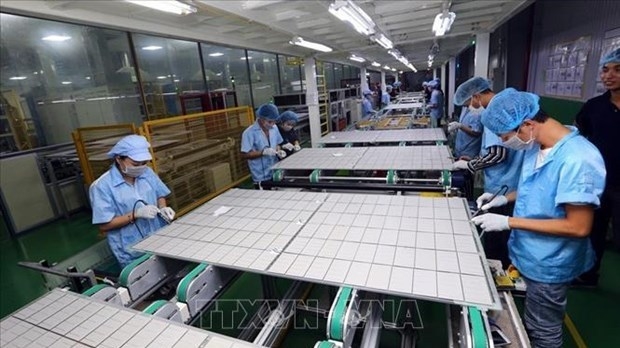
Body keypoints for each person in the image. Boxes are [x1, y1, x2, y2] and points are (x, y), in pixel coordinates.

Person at [471, 89, 606, 348]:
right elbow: (540, 187)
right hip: (530, 251)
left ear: (527, 125)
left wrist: (508, 222)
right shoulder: (538, 144)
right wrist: (503, 199)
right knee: (534, 319)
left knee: (544, 331)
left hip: (550, 261)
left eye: (505, 137)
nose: (504, 142)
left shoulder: (578, 158)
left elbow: (578, 226)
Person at [452, 78, 526, 267]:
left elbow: (497, 154)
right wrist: (475, 159)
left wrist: (470, 166)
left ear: (476, 96)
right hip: (510, 183)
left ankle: (498, 274)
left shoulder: (494, 114)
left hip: (502, 186)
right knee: (504, 237)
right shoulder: (505, 108)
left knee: (497, 239)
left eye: (469, 103)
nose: (470, 107)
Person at [89, 135, 175, 268]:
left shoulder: (147, 173)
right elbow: (104, 225)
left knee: (171, 270)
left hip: (159, 238)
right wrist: (135, 214)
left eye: (144, 163)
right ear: (119, 159)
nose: (140, 167)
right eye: (135, 164)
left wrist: (163, 207)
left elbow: (160, 194)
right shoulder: (102, 186)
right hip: (131, 249)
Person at [574, 48, 620, 287]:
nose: (609, 75)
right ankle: (589, 275)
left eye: (617, 70)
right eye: (605, 69)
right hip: (600, 183)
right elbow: (579, 137)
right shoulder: (594, 106)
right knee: (595, 232)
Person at [241, 103, 286, 188]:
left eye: (274, 121)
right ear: (261, 118)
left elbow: (277, 143)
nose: (272, 124)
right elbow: (244, 154)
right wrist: (263, 152)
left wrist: (278, 151)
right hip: (260, 176)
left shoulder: (274, 128)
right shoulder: (249, 133)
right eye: (269, 121)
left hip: (275, 171)